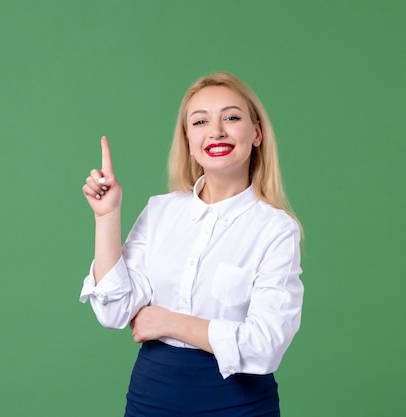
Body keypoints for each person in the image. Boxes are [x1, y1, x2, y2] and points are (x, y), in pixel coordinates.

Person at [79, 72, 304, 417]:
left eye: (231, 117)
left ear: (256, 133)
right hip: (152, 396)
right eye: (200, 121)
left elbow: (265, 346)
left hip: (238, 403)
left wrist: (169, 322)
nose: (216, 131)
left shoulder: (275, 229)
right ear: (187, 139)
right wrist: (106, 217)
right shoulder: (160, 211)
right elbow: (114, 311)